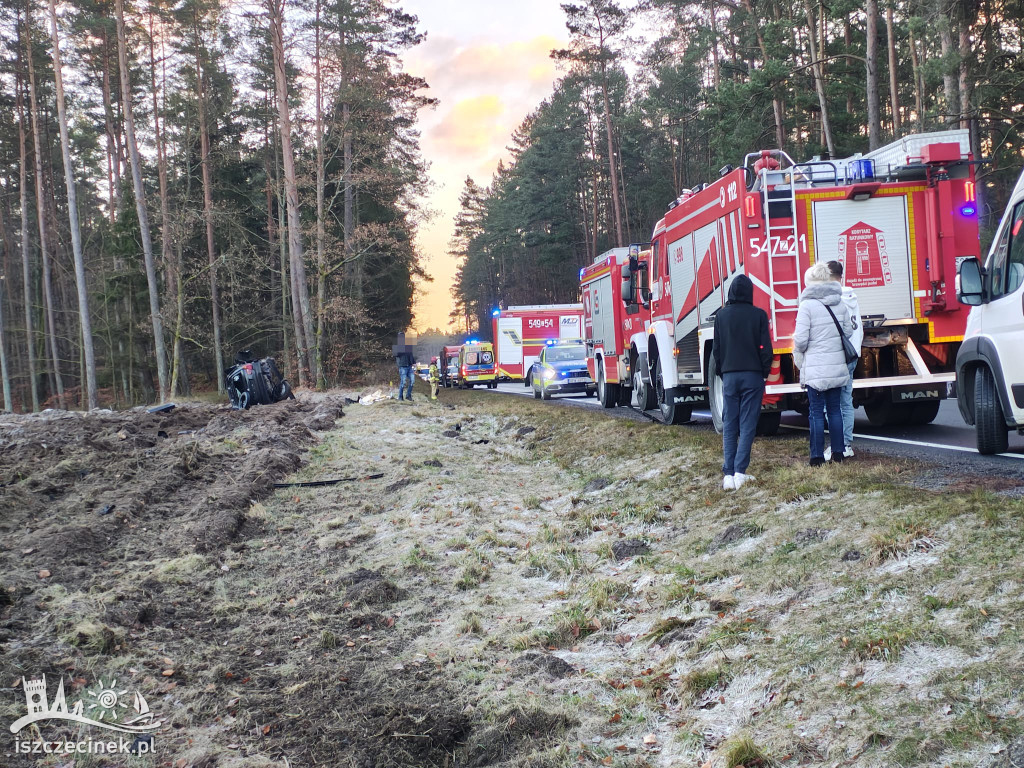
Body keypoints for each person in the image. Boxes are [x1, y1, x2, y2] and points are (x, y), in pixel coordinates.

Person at [712, 274, 774, 490]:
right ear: (750, 293)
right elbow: (766, 348)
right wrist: (764, 372)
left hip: (729, 376)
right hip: (752, 375)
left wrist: (722, 372)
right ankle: (740, 471)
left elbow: (716, 350)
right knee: (748, 424)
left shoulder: (721, 316)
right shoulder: (758, 315)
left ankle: (728, 474)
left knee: (730, 423)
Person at [793, 262, 855, 466]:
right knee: (835, 410)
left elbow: (801, 340)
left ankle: (817, 456)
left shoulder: (806, 306)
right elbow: (848, 332)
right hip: (836, 365)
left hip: (816, 369)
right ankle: (838, 453)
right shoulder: (839, 303)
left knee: (816, 412)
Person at [826, 260, 862, 460]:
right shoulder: (853, 298)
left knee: (830, 404)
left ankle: (837, 445)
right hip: (852, 353)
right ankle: (847, 443)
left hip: (837, 355)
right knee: (846, 401)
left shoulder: (833, 299)